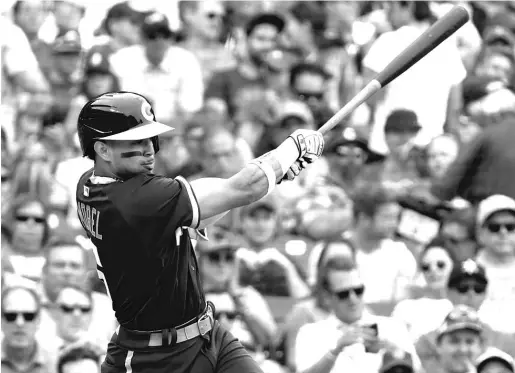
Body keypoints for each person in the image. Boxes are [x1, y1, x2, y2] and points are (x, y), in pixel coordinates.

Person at [74, 91, 324, 373]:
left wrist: (273, 172)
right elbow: (240, 189)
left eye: (150, 139)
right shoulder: (135, 199)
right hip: (156, 357)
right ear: (102, 149)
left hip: (207, 334)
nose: (148, 149)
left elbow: (216, 202)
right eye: (135, 141)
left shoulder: (91, 183)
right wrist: (290, 150)